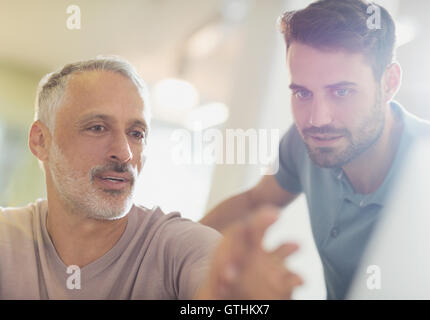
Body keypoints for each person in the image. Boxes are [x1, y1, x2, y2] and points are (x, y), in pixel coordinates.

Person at [200, 0, 430, 299]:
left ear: (389, 82)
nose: (318, 120)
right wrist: (168, 250)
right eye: (303, 93)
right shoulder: (303, 141)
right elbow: (255, 200)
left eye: (342, 92)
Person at [0, 56, 303, 299]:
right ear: (41, 141)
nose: (124, 153)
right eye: (97, 127)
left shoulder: (177, 246)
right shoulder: (7, 238)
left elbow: (211, 279)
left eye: (136, 133)